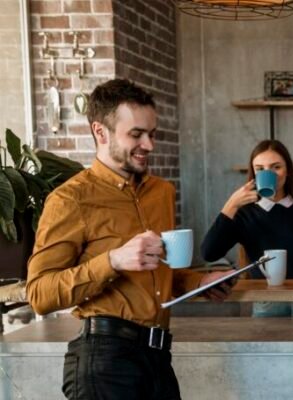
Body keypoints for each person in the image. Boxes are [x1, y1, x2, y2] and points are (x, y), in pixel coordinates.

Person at [26, 79, 235, 399]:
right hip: (105, 361)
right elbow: (40, 293)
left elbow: (160, 273)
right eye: (136, 134)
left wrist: (201, 282)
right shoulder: (70, 199)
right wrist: (112, 260)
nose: (149, 145)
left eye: (152, 134)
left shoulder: (161, 192)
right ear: (100, 132)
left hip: (158, 358)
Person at [201, 139, 293, 316]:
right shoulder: (245, 215)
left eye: (276, 167)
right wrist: (232, 204)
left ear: (288, 171)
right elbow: (209, 252)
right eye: (260, 169)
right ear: (253, 174)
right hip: (267, 306)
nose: (269, 173)